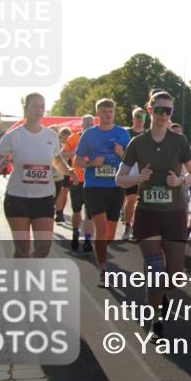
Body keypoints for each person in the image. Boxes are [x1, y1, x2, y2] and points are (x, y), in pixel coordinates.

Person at [116, 91, 191, 338]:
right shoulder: (137, 143)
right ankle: (156, 317)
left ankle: (160, 295)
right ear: (149, 110)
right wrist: (137, 178)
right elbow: (119, 179)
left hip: (174, 213)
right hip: (147, 213)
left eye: (168, 111)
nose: (163, 115)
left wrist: (180, 180)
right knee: (154, 270)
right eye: (159, 109)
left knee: (173, 275)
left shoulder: (180, 141)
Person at [0, 93, 71, 258]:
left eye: (42, 106)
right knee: (22, 249)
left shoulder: (51, 136)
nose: (39, 110)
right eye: (35, 106)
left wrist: (69, 171)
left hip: (44, 198)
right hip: (18, 198)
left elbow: (57, 161)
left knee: (44, 248)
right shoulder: (13, 136)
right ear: (26, 109)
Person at [75, 98, 132, 285]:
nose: (108, 114)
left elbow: (131, 161)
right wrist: (91, 163)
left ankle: (101, 253)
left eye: (111, 111)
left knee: (110, 232)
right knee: (100, 228)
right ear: (98, 113)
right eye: (105, 111)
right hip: (94, 186)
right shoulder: (89, 134)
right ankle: (104, 268)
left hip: (115, 187)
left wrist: (121, 153)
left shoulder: (123, 134)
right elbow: (77, 162)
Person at [64, 116, 95, 252]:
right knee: (76, 211)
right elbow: (62, 154)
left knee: (90, 213)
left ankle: (88, 240)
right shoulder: (74, 138)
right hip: (77, 180)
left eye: (90, 124)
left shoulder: (98, 138)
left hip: (92, 181)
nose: (88, 126)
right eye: (86, 124)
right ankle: (75, 232)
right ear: (81, 125)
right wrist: (75, 153)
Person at [121, 106, 148, 240]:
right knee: (131, 200)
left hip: (145, 172)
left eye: (142, 116)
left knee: (140, 202)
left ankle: (135, 228)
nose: (140, 119)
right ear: (133, 118)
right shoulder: (126, 133)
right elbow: (120, 151)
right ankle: (127, 226)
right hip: (130, 171)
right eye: (137, 116)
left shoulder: (148, 134)